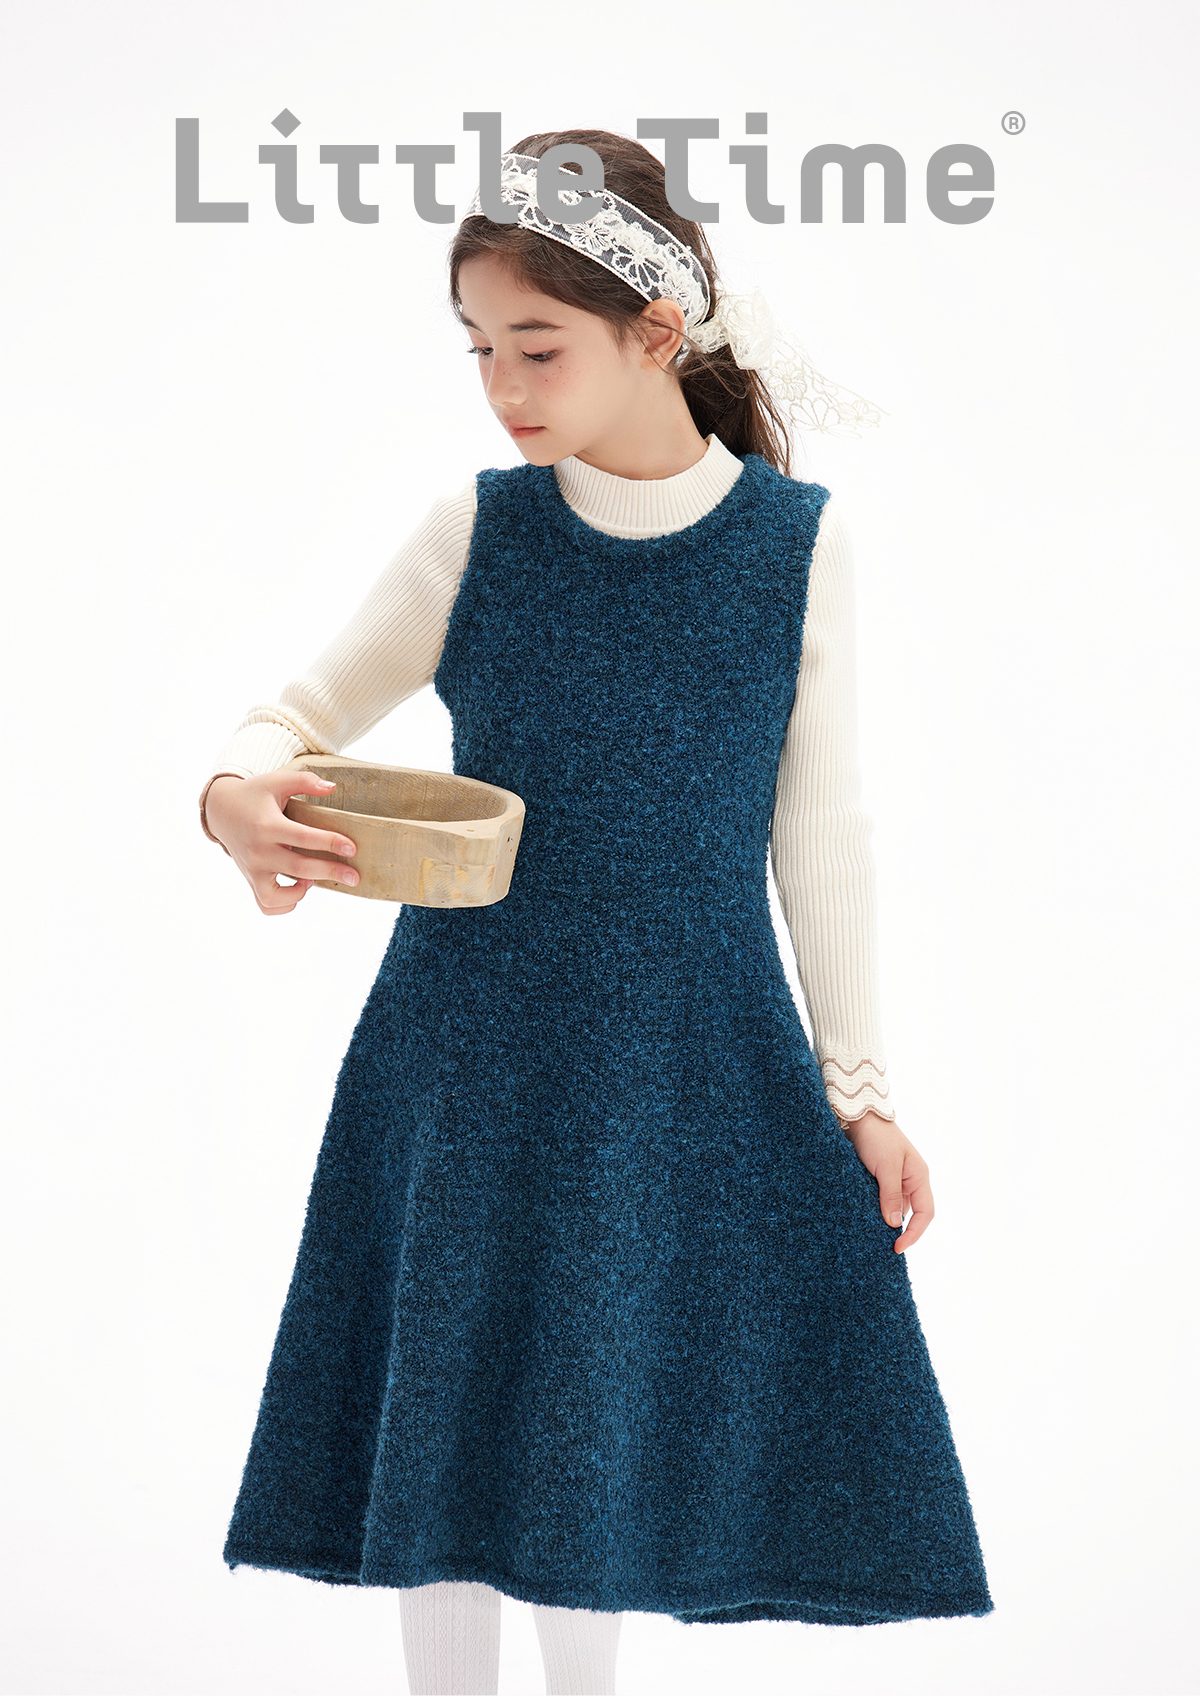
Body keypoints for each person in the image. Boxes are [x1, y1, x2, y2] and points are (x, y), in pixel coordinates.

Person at [201, 128, 994, 1696]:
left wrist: (860, 1090)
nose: (502, 383)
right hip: (463, 1061)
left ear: (658, 329)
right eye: (479, 348)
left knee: (593, 1436)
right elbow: (292, 714)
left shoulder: (795, 546)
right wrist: (230, 794)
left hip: (675, 1069)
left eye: (538, 344)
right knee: (451, 1431)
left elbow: (820, 832)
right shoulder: (479, 531)